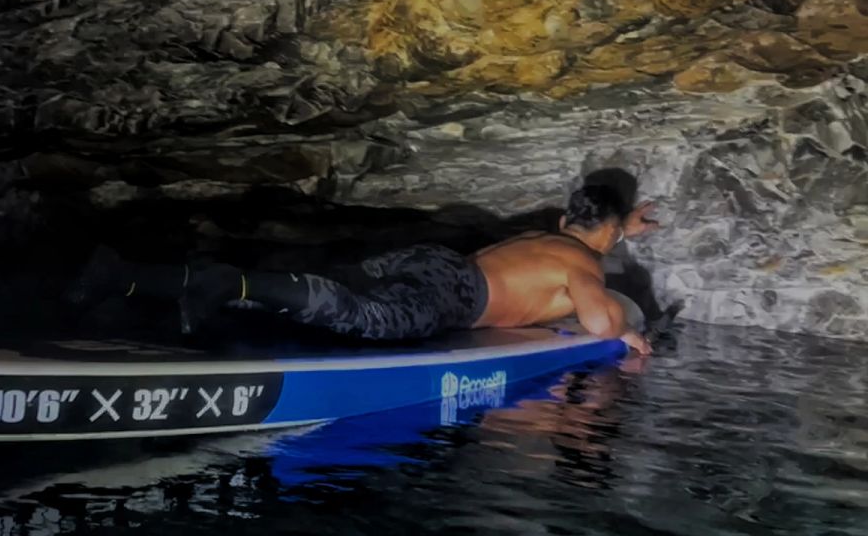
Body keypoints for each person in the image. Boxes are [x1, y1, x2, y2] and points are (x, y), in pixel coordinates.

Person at [66, 182, 659, 354]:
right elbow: (600, 324)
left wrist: (620, 226)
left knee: (304, 290)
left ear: (567, 219)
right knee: (359, 315)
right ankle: (228, 280)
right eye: (616, 235)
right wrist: (628, 331)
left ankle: (119, 275)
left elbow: (590, 233)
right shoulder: (584, 263)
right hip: (455, 296)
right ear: (605, 237)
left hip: (430, 261)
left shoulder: (545, 236)